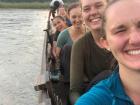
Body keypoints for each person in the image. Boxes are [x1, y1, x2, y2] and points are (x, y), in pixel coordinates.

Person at [75, 0, 140, 105]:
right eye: (120, 31)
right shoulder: (93, 101)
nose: (136, 39)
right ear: (105, 43)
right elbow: (75, 88)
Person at [70, 0, 114, 104]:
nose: (93, 12)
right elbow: (75, 91)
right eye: (86, 9)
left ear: (109, 7)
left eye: (99, 5)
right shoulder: (79, 46)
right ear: (83, 14)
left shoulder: (124, 38)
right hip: (96, 99)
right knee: (106, 75)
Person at [56, 3, 86, 81]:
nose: (77, 20)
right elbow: (57, 56)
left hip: (85, 67)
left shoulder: (90, 32)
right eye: (74, 17)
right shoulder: (63, 35)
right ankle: (70, 80)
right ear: (69, 17)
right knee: (67, 48)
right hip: (69, 69)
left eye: (80, 16)